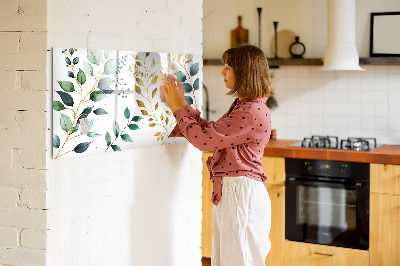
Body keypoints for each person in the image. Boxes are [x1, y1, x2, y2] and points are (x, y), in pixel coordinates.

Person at [161, 44, 273, 266]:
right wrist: (182, 104)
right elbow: (211, 133)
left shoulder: (250, 111)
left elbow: (204, 141)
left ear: (244, 72)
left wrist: (176, 108)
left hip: (241, 195)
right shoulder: (246, 106)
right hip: (236, 193)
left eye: (228, 67)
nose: (222, 72)